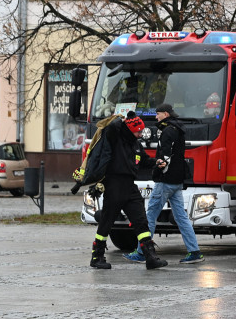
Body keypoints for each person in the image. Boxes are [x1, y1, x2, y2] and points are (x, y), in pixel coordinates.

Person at [83, 111, 167, 270]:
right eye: (138, 131)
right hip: (114, 185)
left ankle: (150, 256)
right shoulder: (116, 137)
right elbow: (112, 127)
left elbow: (143, 160)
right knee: (106, 223)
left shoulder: (136, 144)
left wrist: (156, 162)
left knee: (141, 221)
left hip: (130, 186)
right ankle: (97, 256)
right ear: (129, 129)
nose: (141, 134)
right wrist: (122, 118)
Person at [126, 103, 203, 264]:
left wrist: (158, 169)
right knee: (181, 217)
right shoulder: (179, 129)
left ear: (166, 114)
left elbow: (165, 158)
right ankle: (194, 251)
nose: (156, 117)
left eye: (158, 114)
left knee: (150, 216)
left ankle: (142, 252)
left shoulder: (168, 131)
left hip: (166, 181)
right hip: (177, 180)